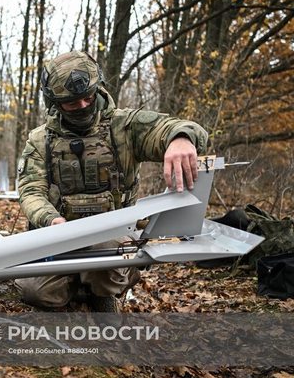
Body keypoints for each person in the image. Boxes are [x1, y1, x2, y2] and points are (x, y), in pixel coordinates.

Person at [15, 51, 208, 312]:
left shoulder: (124, 126)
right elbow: (30, 190)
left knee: (107, 254)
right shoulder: (41, 140)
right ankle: (80, 285)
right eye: (72, 102)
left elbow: (169, 128)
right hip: (60, 236)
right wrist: (51, 220)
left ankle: (103, 293)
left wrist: (181, 138)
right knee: (36, 292)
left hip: (112, 237)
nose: (83, 105)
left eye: (88, 97)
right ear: (55, 102)